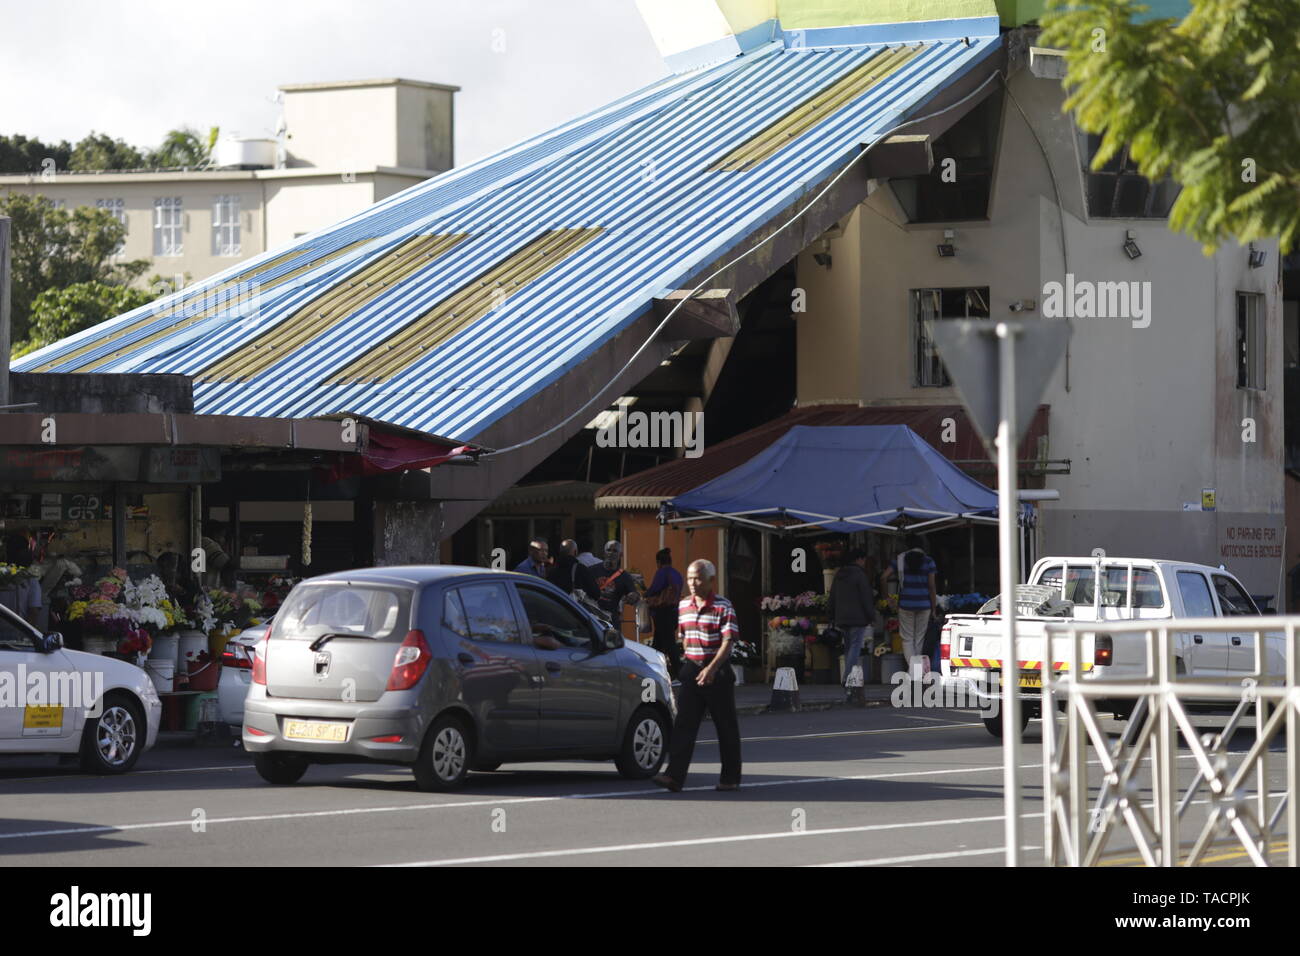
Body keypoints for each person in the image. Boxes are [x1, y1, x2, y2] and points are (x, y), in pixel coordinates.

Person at [652, 559, 741, 792]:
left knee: (726, 727)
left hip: (717, 669)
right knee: (683, 724)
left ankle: (730, 778)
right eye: (690, 578)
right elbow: (682, 637)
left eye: (698, 578)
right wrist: (687, 667)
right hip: (692, 668)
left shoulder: (723, 606)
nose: (692, 583)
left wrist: (711, 669)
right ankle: (674, 776)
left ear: (711, 580)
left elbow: (729, 641)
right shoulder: (683, 606)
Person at [827, 548, 874, 697]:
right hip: (858, 618)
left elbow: (832, 596)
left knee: (848, 647)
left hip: (842, 618)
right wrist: (871, 616)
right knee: (855, 647)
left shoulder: (838, 575)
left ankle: (847, 675)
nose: (864, 562)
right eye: (863, 559)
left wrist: (831, 616)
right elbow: (866, 597)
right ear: (859, 559)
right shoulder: (860, 575)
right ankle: (847, 677)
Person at [890, 538, 938, 674]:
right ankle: (917, 671)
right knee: (919, 638)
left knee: (907, 638)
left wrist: (887, 598)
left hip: (905, 604)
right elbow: (932, 586)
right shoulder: (929, 561)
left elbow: (884, 576)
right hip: (924, 604)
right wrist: (934, 608)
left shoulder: (900, 561)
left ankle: (914, 670)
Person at [644, 548, 684, 675]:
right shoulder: (676, 574)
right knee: (659, 643)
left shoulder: (662, 572)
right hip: (674, 612)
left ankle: (678, 673)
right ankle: (654, 670)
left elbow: (654, 589)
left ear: (659, 562)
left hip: (663, 612)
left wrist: (644, 592)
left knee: (669, 644)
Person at [4, 532, 44, 629]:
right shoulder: (30, 580)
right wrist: (25, 636)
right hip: (18, 636)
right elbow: (33, 612)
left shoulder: (4, 576)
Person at [594, 540, 639, 620]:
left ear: (620, 554)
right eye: (608, 550)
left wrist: (633, 596)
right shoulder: (592, 570)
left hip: (612, 620)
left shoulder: (625, 576)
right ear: (604, 553)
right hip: (594, 618)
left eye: (615, 551)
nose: (611, 553)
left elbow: (633, 594)